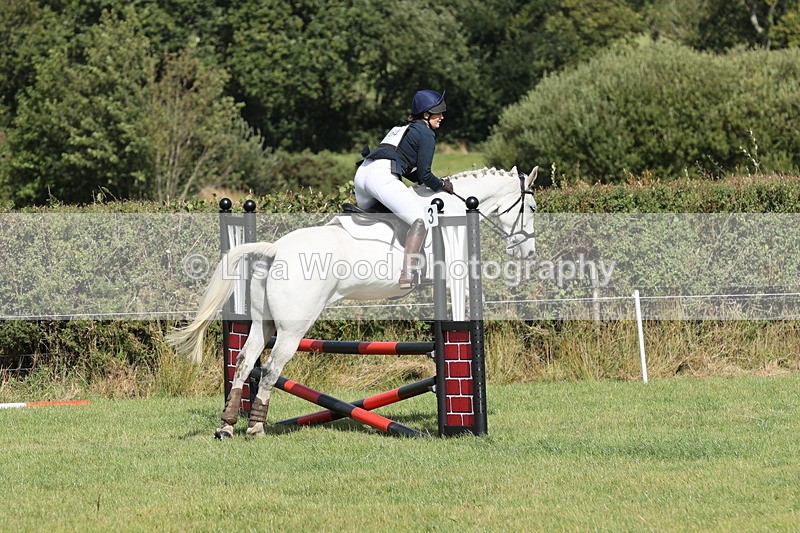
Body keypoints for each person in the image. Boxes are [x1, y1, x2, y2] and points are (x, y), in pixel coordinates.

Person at [354, 89, 455, 288]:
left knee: (391, 218)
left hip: (362, 175)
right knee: (420, 220)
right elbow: (425, 174)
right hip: (382, 177)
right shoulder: (426, 133)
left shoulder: (400, 128)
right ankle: (408, 274)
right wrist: (442, 184)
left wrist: (424, 181)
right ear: (426, 114)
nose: (442, 117)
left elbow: (409, 170)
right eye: (438, 113)